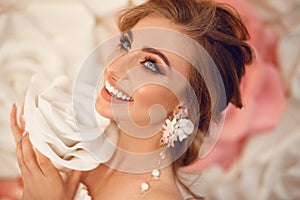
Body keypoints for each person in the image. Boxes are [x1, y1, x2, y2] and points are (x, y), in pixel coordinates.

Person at [10, 0, 254, 199]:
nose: (115, 68)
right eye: (126, 45)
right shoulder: (79, 142)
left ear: (185, 107)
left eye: (151, 64)